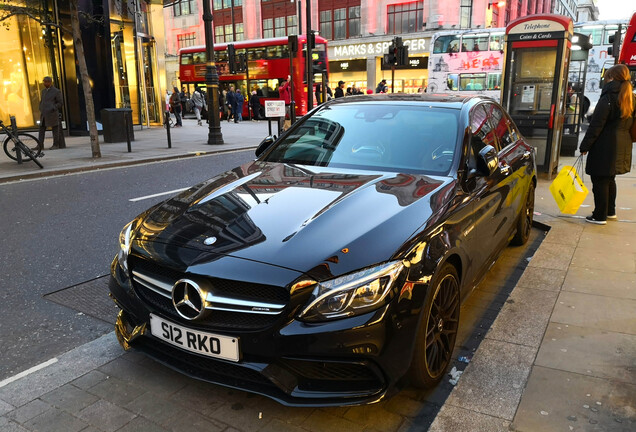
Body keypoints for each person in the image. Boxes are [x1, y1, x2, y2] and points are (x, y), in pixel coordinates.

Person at [579, 64, 635, 225]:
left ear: (611, 77)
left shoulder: (608, 98)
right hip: (623, 144)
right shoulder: (631, 98)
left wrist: (585, 147)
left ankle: (599, 215)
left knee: (600, 180)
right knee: (610, 178)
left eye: (607, 76)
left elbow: (596, 126)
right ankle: (610, 211)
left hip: (606, 145)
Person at [38, 76, 64, 150]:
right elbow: (42, 101)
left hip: (52, 113)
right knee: (41, 129)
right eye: (44, 81)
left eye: (46, 81)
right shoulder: (43, 91)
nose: (45, 83)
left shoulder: (56, 91)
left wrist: (53, 107)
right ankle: (40, 145)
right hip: (44, 114)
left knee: (55, 129)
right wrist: (41, 107)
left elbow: (60, 103)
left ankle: (56, 144)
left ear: (50, 82)